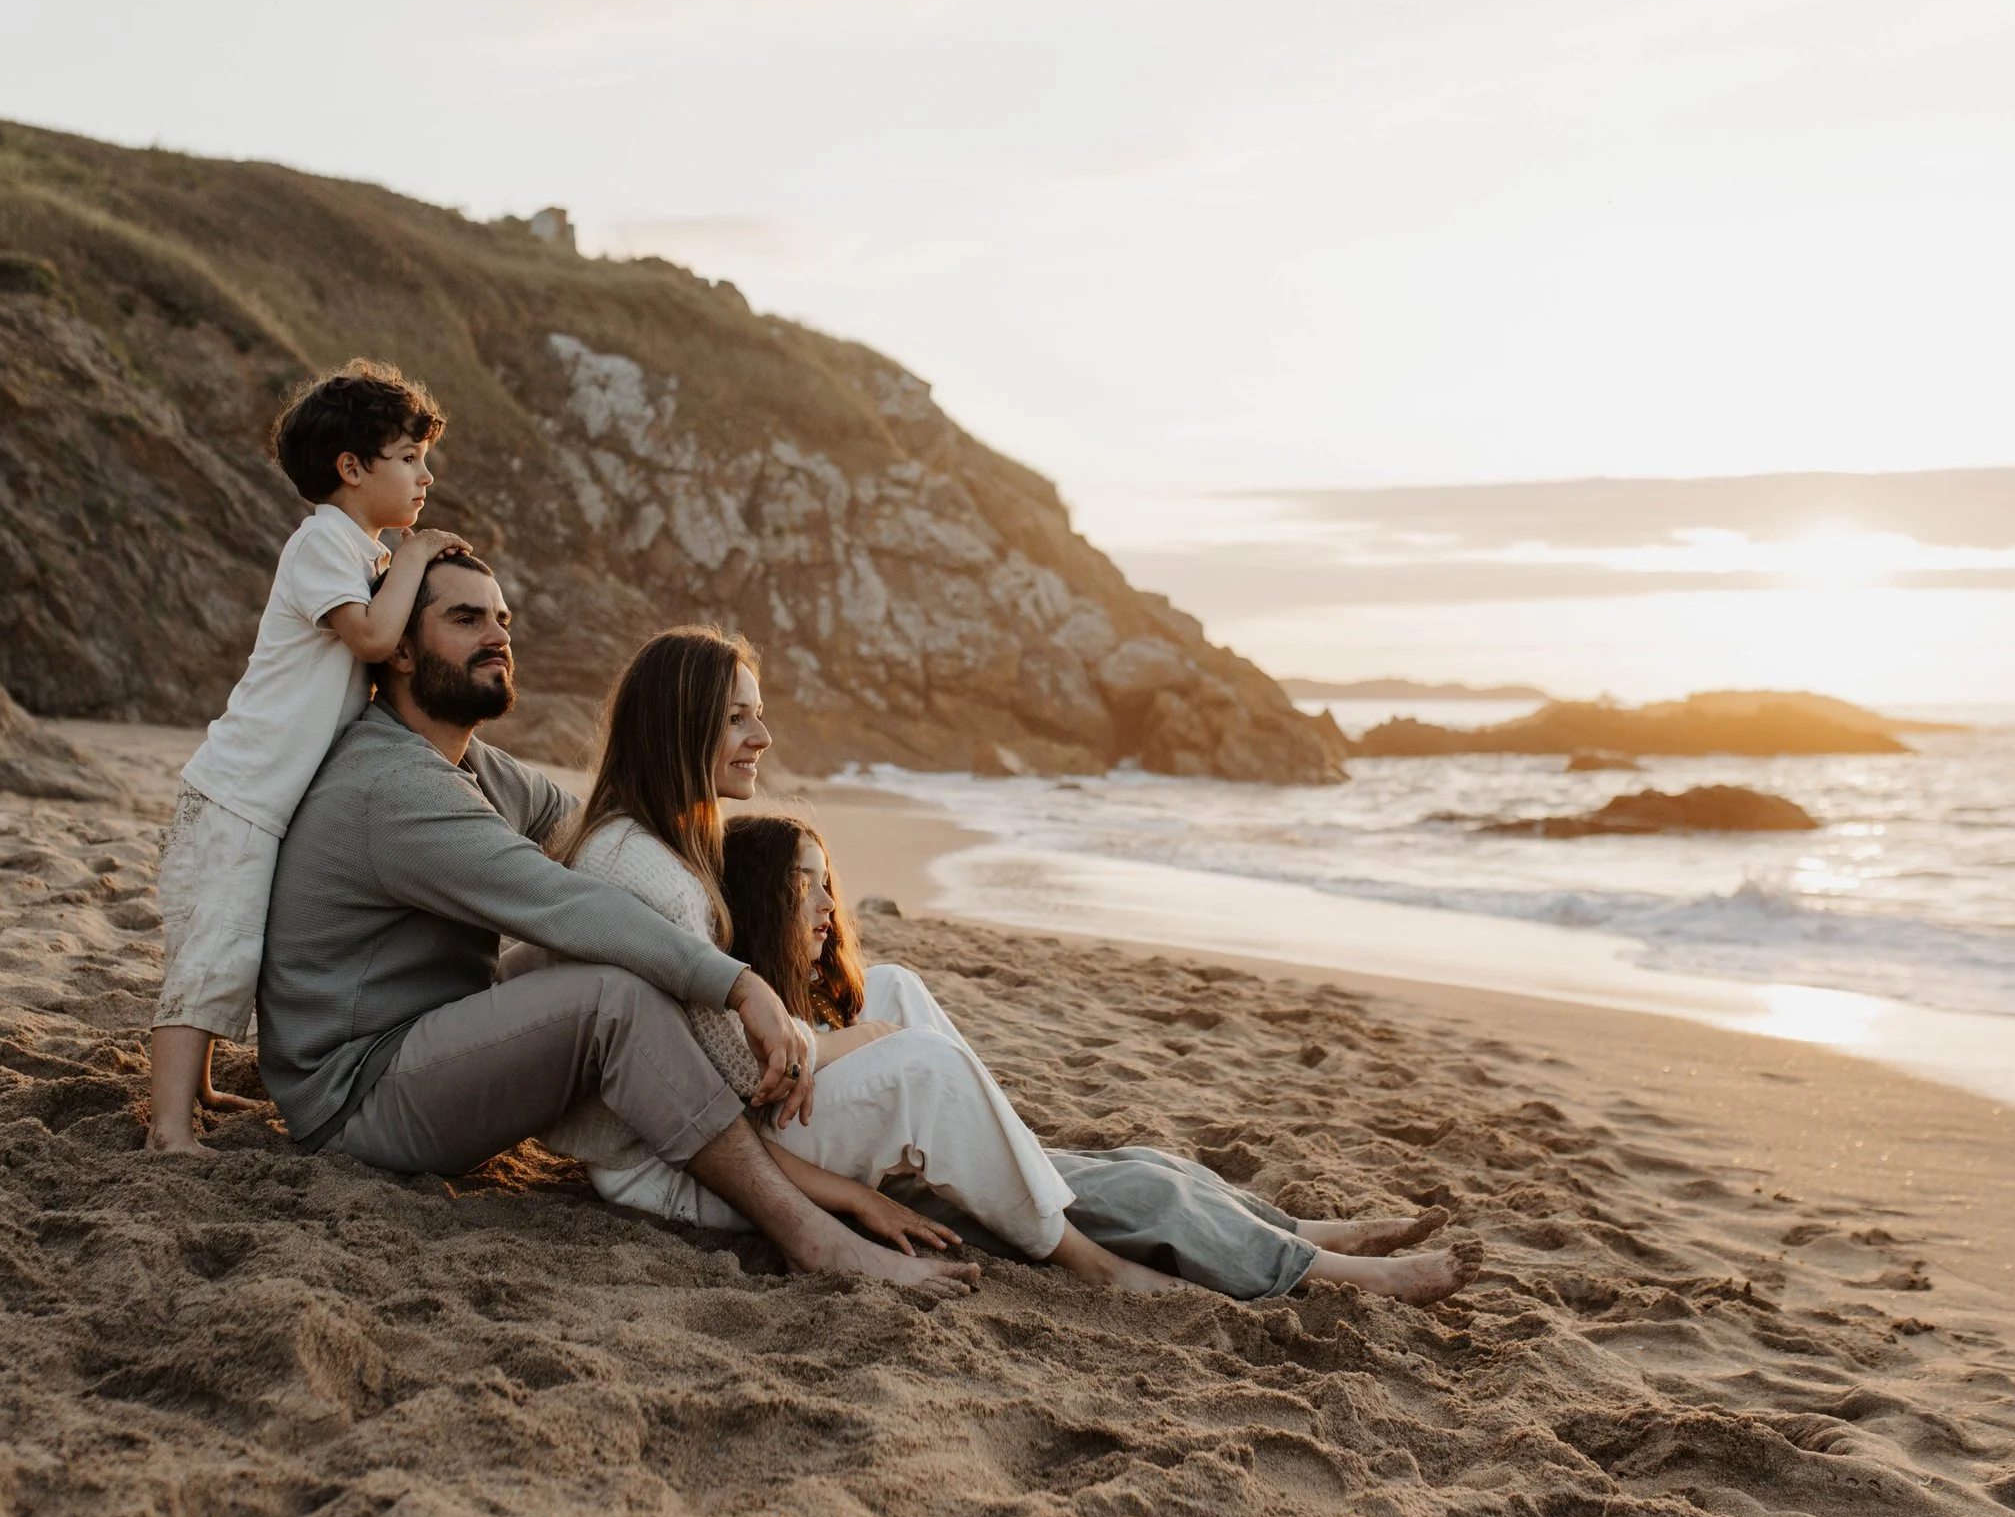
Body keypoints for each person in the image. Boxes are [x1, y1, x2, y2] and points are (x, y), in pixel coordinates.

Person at [253, 553, 979, 1298]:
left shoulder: (470, 765)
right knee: (612, 995)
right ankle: (810, 1234)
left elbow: (590, 834)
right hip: (357, 1096)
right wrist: (741, 985)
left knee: (614, 965)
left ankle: (877, 1167)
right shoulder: (397, 787)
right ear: (399, 650)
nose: (497, 636)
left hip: (427, 1038)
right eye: (465, 619)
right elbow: (567, 899)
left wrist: (704, 861)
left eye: (502, 618)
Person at [546, 627, 1201, 1294]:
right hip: (678, 1168)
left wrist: (847, 1034)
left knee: (892, 987)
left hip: (707, 1126)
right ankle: (1089, 1260)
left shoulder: (657, 837)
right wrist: (857, 1042)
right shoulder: (648, 871)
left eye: (758, 713)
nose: (763, 736)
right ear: (678, 726)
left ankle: (1004, 1167)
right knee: (925, 1065)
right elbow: (742, 1070)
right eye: (737, 717)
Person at [721, 813, 1484, 1304]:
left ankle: (1300, 1231)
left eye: (829, 885)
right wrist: (868, 1072)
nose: (828, 907)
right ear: (761, 899)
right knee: (1146, 1200)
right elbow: (732, 1140)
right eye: (804, 886)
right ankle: (1339, 1273)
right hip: (859, 1181)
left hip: (888, 1161)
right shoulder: (742, 1022)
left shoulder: (783, 1004)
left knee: (1150, 1165)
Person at [146, 359, 470, 1153]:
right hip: (237, 792)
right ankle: (166, 1125)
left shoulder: (358, 551)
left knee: (237, 945)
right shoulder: (326, 542)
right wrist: (419, 556)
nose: (425, 475)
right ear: (351, 468)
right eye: (408, 458)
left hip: (264, 796)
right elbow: (369, 636)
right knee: (211, 950)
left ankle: (200, 1085)